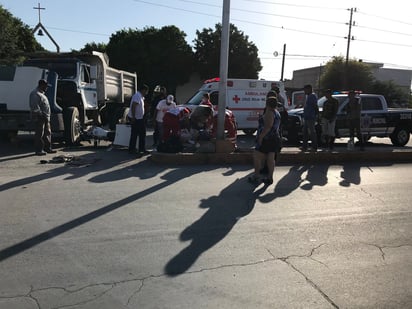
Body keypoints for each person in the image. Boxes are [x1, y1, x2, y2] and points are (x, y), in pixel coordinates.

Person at [248, 96, 281, 186]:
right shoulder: (276, 113)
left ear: (267, 104)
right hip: (274, 138)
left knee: (257, 156)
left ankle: (256, 175)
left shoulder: (269, 112)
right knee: (271, 158)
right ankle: (270, 177)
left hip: (267, 138)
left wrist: (261, 137)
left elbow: (268, 126)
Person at [29, 79, 57, 156]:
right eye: (46, 86)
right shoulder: (35, 94)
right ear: (41, 85)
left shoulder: (42, 94)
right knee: (39, 134)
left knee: (47, 133)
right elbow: (34, 106)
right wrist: (40, 114)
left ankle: (48, 148)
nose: (47, 88)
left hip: (45, 117)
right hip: (40, 117)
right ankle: (39, 150)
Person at [128, 84, 149, 156]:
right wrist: (133, 117)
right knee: (136, 134)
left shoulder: (141, 97)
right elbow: (133, 106)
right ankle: (133, 149)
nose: (146, 93)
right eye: (146, 91)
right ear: (143, 90)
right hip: (136, 118)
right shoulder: (137, 96)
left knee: (140, 133)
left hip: (139, 118)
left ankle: (141, 149)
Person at [302, 84, 319, 152]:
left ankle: (314, 147)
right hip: (307, 117)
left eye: (305, 89)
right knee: (305, 132)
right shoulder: (308, 96)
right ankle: (304, 146)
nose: (304, 91)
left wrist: (316, 115)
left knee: (312, 132)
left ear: (309, 89)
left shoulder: (312, 96)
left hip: (311, 117)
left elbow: (315, 106)